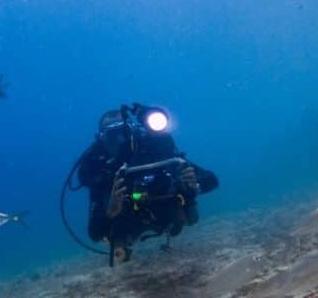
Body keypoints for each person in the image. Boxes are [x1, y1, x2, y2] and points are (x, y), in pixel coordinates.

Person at [76, 104, 218, 265]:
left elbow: (211, 180)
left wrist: (194, 187)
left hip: (164, 212)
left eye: (123, 132)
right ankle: (121, 245)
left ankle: (176, 219)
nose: (119, 141)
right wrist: (110, 212)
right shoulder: (100, 168)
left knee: (187, 207)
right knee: (113, 227)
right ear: (101, 139)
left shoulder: (155, 149)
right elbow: (95, 233)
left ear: (133, 131)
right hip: (128, 218)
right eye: (112, 136)